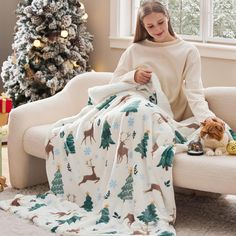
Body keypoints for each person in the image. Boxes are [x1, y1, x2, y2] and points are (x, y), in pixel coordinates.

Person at [111, 0, 222, 125]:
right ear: (143, 26)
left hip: (168, 116)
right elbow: (113, 82)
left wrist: (206, 117)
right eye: (150, 26)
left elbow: (194, 90)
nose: (157, 29)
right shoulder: (135, 49)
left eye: (160, 22)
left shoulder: (188, 51)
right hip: (135, 109)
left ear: (167, 17)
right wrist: (133, 76)